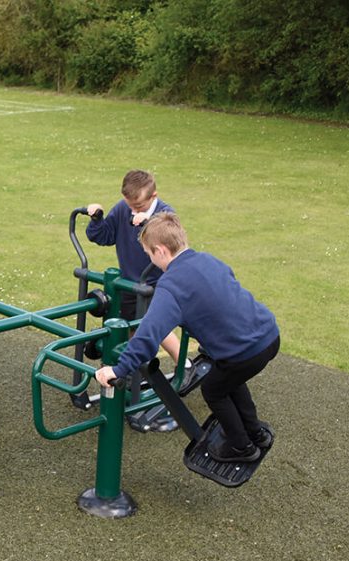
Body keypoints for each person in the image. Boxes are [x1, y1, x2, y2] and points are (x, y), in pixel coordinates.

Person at [94, 213, 280, 463]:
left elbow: (149, 335)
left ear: (160, 250)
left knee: (214, 390)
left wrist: (118, 369)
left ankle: (241, 447)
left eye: (149, 253)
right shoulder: (208, 260)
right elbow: (225, 291)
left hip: (244, 352)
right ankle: (256, 433)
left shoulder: (171, 286)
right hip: (269, 334)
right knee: (227, 376)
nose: (150, 259)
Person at [86, 169, 187, 370]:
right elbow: (104, 236)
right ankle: (136, 372)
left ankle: (186, 366)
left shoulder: (166, 215)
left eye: (138, 205)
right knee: (130, 327)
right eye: (129, 204)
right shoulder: (123, 209)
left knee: (152, 323)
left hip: (157, 282)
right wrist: (97, 219)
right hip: (130, 284)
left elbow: (171, 247)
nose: (133, 209)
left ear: (153, 196)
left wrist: (149, 225)